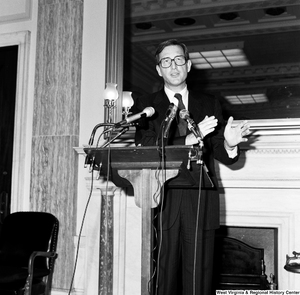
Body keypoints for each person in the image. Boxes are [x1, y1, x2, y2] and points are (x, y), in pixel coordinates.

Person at [132, 39, 250, 295]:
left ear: (189, 65)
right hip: (163, 198)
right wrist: (186, 140)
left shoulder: (209, 103)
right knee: (163, 280)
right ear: (158, 69)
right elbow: (146, 145)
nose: (173, 66)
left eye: (178, 60)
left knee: (199, 280)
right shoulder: (145, 106)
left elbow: (221, 151)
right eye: (166, 61)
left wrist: (229, 144)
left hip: (201, 199)